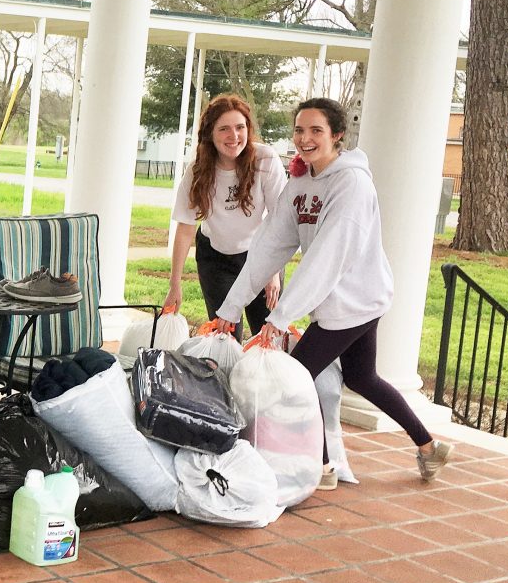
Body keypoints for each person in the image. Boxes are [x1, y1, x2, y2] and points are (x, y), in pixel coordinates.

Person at [216, 97, 452, 488]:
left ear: (337, 135)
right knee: (362, 378)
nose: (305, 138)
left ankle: (323, 468)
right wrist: (230, 307)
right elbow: (271, 245)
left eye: (316, 131)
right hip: (335, 300)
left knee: (296, 376)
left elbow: (329, 257)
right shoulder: (302, 181)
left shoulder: (352, 183)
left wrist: (279, 318)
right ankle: (429, 448)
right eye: (299, 130)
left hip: (356, 300)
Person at [165, 94, 286, 340]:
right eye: (224, 129)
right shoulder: (198, 170)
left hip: (260, 257)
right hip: (216, 259)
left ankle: (261, 379)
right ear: (210, 134)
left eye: (240, 127)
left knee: (268, 335)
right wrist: (174, 283)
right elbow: (186, 226)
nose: (234, 136)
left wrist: (273, 272)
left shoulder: (265, 160)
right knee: (224, 336)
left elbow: (280, 219)